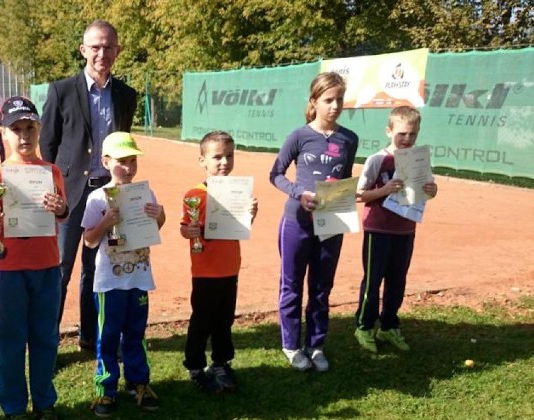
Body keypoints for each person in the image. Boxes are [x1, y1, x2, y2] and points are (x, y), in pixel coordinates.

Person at [40, 20, 137, 352]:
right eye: (95, 46)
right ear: (83, 50)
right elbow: (48, 145)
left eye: (109, 46)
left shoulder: (127, 95)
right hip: (71, 194)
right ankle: (48, 342)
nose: (102, 53)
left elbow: (123, 144)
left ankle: (89, 337)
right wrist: (59, 185)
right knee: (61, 268)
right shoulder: (61, 91)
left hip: (108, 193)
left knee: (96, 269)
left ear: (117, 51)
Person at [0, 96, 69, 420]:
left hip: (47, 267)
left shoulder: (52, 171)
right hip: (11, 269)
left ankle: (45, 402)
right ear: (4, 134)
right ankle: (15, 407)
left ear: (39, 129)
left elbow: (63, 213)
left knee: (46, 337)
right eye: (16, 129)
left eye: (29, 127)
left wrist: (60, 207)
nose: (24, 135)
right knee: (12, 340)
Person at [269, 72, 358, 373]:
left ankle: (316, 345)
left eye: (339, 100)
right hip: (297, 222)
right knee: (292, 286)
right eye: (328, 100)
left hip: (331, 222)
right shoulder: (298, 136)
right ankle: (291, 346)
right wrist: (298, 193)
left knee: (321, 288)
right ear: (314, 102)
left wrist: (345, 198)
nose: (334, 106)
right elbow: (276, 174)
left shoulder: (349, 139)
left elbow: (344, 178)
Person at [82, 131, 165, 417]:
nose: (129, 168)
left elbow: (155, 227)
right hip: (109, 282)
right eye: (122, 161)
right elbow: (89, 241)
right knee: (107, 335)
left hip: (139, 277)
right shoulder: (97, 198)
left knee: (136, 333)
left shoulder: (146, 193)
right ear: (106, 162)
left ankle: (138, 383)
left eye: (133, 161)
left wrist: (159, 215)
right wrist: (106, 222)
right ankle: (105, 390)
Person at [353, 106, 438, 353]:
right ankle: (364, 326)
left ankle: (389, 325)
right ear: (389, 130)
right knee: (373, 280)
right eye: (402, 133)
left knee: (397, 281)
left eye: (412, 134)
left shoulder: (418, 160)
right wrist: (384, 190)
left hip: (405, 230)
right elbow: (358, 194)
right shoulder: (377, 159)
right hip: (378, 229)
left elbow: (426, 190)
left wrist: (432, 191)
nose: (407, 139)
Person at [180, 131, 258, 393]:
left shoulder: (238, 192)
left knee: (224, 321)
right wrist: (188, 231)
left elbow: (240, 227)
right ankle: (195, 367)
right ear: (202, 161)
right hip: (205, 272)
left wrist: (250, 215)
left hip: (229, 268)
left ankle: (221, 363)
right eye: (217, 157)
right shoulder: (195, 194)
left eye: (229, 156)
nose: (224, 162)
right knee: (201, 321)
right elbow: (185, 228)